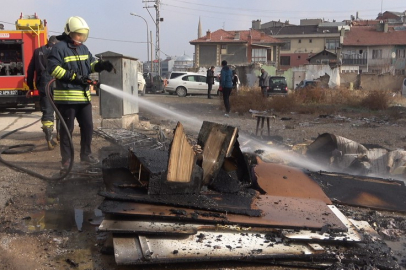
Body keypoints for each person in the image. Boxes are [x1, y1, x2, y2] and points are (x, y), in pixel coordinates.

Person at [47, 16, 114, 171]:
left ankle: (86, 155)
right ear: (69, 32)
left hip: (83, 98)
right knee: (67, 130)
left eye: (83, 35)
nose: (81, 38)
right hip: (67, 99)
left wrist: (101, 65)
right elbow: (53, 68)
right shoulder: (59, 48)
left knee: (88, 126)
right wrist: (73, 76)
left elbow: (90, 64)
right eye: (79, 34)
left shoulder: (83, 49)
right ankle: (67, 160)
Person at [26, 36, 59, 150]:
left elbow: (30, 70)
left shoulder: (38, 51)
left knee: (47, 111)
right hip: (58, 83)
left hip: (43, 84)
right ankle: (59, 135)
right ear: (56, 43)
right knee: (60, 110)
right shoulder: (60, 50)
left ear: (48, 42)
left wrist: (30, 87)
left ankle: (49, 138)